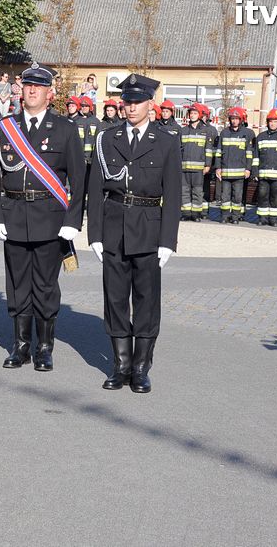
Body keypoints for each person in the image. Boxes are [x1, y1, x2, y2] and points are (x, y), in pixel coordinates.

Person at [0, 62, 85, 372]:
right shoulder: (4, 128)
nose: (31, 90)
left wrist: (72, 222)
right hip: (13, 215)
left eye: (38, 87)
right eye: (27, 85)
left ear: (49, 94)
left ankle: (44, 347)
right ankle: (20, 345)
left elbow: (78, 181)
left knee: (45, 285)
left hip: (50, 218)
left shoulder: (66, 130)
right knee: (17, 284)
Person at [87, 73, 182, 393]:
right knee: (114, 299)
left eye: (136, 102)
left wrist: (168, 240)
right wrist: (95, 235)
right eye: (126, 101)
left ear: (149, 104)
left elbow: (173, 195)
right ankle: (121, 365)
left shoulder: (166, 141)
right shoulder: (107, 139)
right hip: (113, 226)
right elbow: (94, 190)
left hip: (148, 229)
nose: (130, 107)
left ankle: (141, 367)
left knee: (146, 300)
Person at [215, 107, 255, 224]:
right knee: (225, 197)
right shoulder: (224, 133)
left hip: (239, 173)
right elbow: (218, 152)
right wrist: (218, 167)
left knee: (237, 197)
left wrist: (248, 169)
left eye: (237, 119)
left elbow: (249, 154)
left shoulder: (246, 134)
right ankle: (225, 216)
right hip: (226, 172)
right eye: (232, 118)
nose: (234, 121)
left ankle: (236, 217)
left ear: (241, 120)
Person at [252, 108, 277, 226]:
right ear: (267, 122)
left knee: (276, 198)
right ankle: (262, 218)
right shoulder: (261, 136)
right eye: (270, 121)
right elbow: (256, 156)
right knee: (262, 196)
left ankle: (274, 219)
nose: (272, 124)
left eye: (275, 121)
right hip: (263, 174)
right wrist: (255, 172)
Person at [179, 103, 215, 221]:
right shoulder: (183, 131)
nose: (192, 115)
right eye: (191, 113)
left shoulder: (206, 131)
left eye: (195, 113)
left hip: (199, 169)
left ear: (199, 115)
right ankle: (186, 213)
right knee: (184, 191)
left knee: (198, 191)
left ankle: (196, 214)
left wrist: (208, 165)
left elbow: (208, 150)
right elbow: (178, 149)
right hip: (184, 168)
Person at [198, 103, 219, 219]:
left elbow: (215, 149)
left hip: (207, 165)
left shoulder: (212, 130)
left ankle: (204, 211)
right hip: (195, 164)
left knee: (205, 188)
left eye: (204, 115)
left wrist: (212, 165)